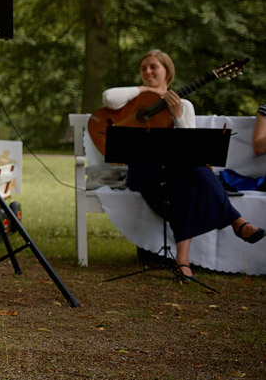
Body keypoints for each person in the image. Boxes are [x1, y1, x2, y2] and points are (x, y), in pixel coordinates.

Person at [101, 49, 265, 279]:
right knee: (194, 177)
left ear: (168, 72)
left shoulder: (184, 105)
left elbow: (191, 149)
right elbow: (108, 97)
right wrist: (148, 90)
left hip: (178, 173)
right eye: (144, 67)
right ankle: (236, 222)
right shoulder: (133, 102)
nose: (148, 71)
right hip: (145, 173)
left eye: (154, 67)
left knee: (194, 172)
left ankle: (182, 260)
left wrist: (177, 114)